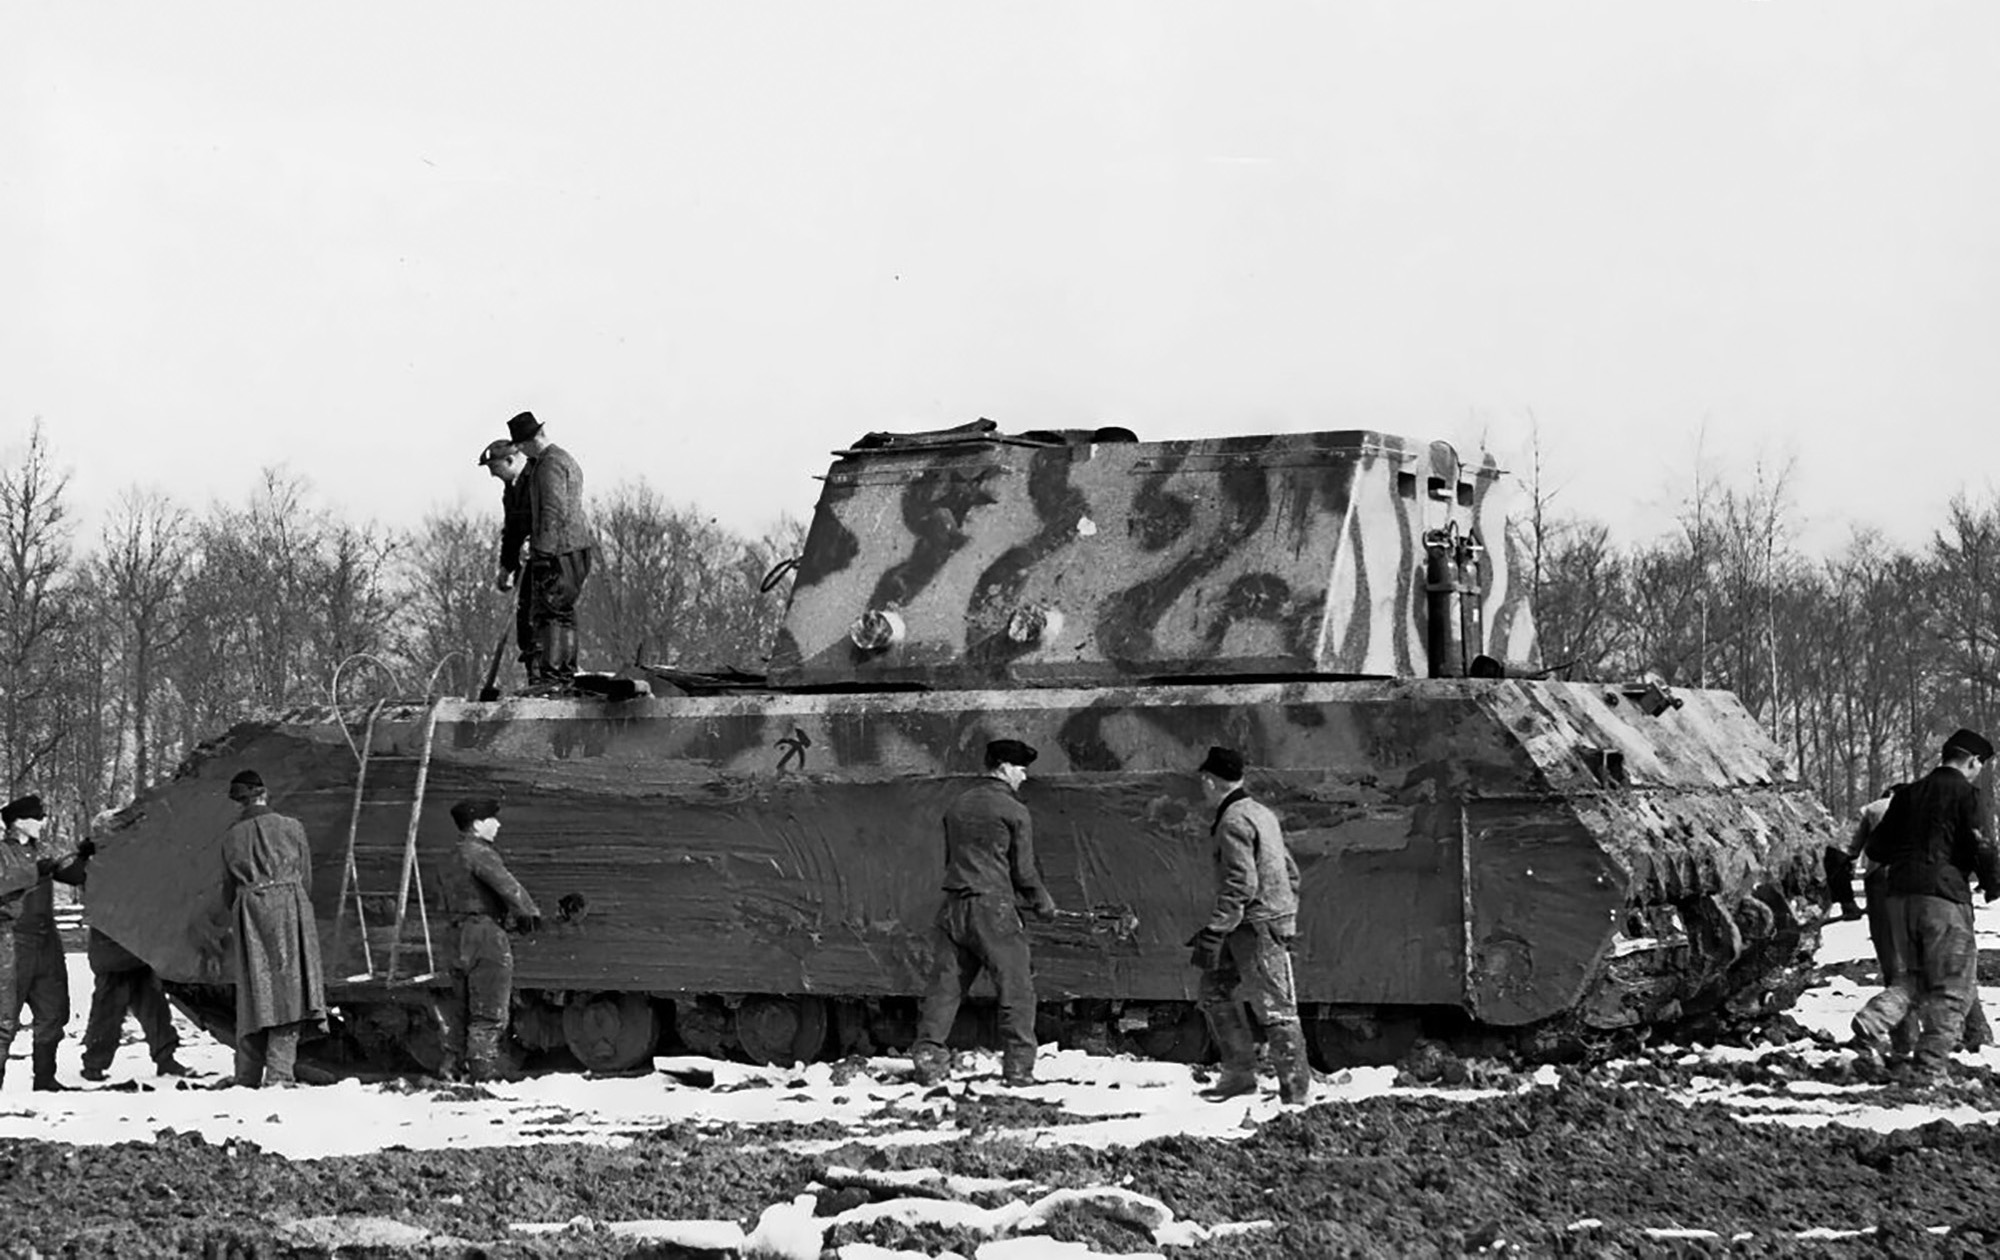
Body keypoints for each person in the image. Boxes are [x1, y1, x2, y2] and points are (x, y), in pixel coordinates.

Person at [1849, 729, 2000, 1081]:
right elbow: (1982, 845)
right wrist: (1993, 884)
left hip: (1899, 897)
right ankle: (1930, 1068)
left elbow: (1877, 849)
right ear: (1972, 761)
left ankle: (1873, 1020)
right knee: (1953, 986)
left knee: (1914, 976)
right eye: (1980, 765)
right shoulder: (1967, 793)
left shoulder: (1908, 794)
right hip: (1943, 897)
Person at [910, 738, 1058, 1088]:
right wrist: (1042, 901)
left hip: (955, 906)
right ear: (1005, 767)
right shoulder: (1014, 810)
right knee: (1016, 986)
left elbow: (951, 859)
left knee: (945, 988)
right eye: (1021, 769)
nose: (1024, 776)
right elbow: (1023, 871)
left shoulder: (958, 806)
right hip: (993, 909)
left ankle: (929, 1060)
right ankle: (1019, 1067)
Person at [1188, 746, 1311, 1105]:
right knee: (1214, 992)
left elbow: (1242, 883)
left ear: (1210, 781)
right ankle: (1238, 1077)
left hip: (1252, 924)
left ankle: (1296, 1093)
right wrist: (1286, 913)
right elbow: (1291, 872)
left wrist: (1215, 929)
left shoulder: (1232, 821)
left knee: (1276, 1007)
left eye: (1203, 782)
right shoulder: (1261, 813)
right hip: (1257, 920)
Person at [1835, 784, 1990, 1059]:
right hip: (1938, 889)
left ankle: (1900, 1036)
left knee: (1897, 964)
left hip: (1887, 887)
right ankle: (1973, 1032)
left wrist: (1846, 900)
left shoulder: (1873, 809)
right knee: (1954, 965)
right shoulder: (1940, 806)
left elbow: (1848, 852)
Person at [220, 770, 327, 1088]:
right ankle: (280, 1073)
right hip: (289, 906)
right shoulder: (292, 827)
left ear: (239, 801)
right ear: (265, 793)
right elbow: (305, 878)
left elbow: (227, 890)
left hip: (248, 911)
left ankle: (247, 1074)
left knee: (254, 991)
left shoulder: (230, 837)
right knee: (290, 990)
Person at [78, 812, 187, 1081]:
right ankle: (94, 1063)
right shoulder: (98, 865)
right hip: (115, 950)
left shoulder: (126, 862)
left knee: (154, 1008)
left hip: (134, 949)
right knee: (109, 1013)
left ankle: (165, 1058)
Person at [438, 797, 541, 1081]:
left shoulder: (450, 856)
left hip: (454, 934)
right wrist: (529, 914)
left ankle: (451, 1067)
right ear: (477, 824)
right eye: (492, 819)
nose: (498, 824)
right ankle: (484, 1073)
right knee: (489, 1009)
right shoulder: (480, 853)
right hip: (484, 934)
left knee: (461, 1009)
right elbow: (508, 886)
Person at [0, 794, 85, 1090]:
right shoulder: (2, 853)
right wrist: (37, 871)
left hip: (47, 940)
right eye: (36, 818)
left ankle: (45, 1078)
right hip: (12, 940)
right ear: (19, 823)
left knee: (54, 1010)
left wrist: (86, 854)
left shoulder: (42, 851)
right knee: (4, 1018)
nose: (42, 822)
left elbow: (72, 876)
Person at [507, 410, 594, 690]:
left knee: (550, 613)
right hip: (576, 548)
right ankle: (563, 675)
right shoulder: (564, 458)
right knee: (563, 613)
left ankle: (553, 678)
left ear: (524, 444)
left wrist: (541, 552)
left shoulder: (547, 465)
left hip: (560, 551)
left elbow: (552, 510)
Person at [477, 438, 538, 687]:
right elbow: (511, 531)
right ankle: (535, 678)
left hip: (548, 560)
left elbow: (551, 516)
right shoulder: (511, 490)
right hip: (527, 561)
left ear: (510, 460)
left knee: (539, 618)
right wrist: (506, 566)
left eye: (495, 468)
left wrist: (535, 540)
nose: (493, 475)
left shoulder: (537, 479)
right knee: (524, 617)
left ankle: (547, 678)